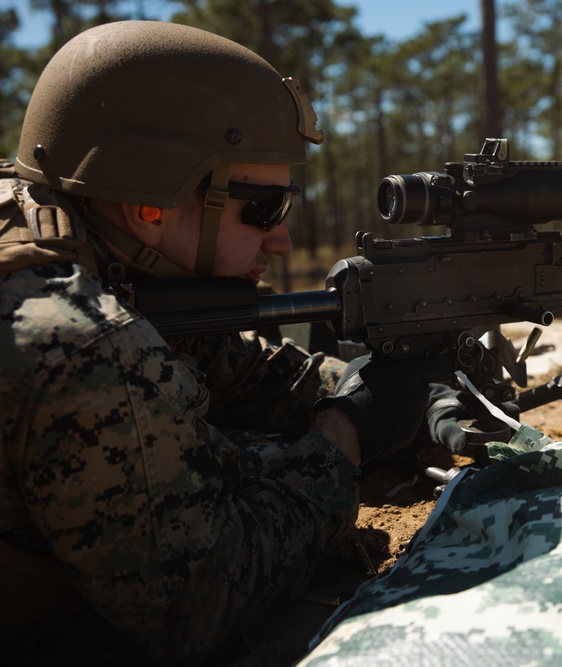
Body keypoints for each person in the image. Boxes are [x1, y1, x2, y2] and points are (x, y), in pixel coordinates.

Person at [0, 20, 441, 664]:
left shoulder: (62, 223)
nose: (283, 239)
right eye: (265, 210)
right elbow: (200, 603)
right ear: (150, 208)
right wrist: (343, 438)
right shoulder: (85, 344)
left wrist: (372, 389)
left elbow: (228, 369)